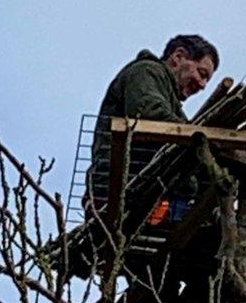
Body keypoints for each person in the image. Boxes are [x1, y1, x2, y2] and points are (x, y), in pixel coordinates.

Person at [86, 35, 219, 210]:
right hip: (120, 189)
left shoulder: (170, 100)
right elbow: (149, 114)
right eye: (202, 74)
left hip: (141, 192)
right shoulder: (146, 72)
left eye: (207, 81)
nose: (202, 85)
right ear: (178, 57)